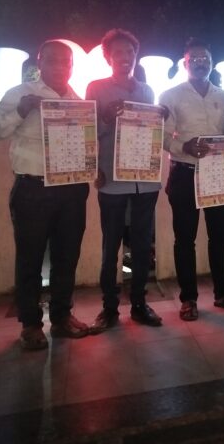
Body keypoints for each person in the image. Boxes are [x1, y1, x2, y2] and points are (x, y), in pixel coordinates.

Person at [0, 40, 90, 350]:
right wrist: (21, 110)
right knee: (30, 258)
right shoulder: (20, 93)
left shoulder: (77, 100)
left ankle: (61, 318)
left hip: (72, 189)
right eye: (52, 60)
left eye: (66, 61)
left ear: (72, 66)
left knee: (67, 257)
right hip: (32, 188)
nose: (59, 66)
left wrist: (92, 166)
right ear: (40, 62)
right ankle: (31, 324)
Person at [158, 38, 224, 321]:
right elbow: (161, 135)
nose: (200, 63)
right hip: (184, 174)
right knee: (185, 240)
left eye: (205, 59)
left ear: (212, 63)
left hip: (217, 173)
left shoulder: (223, 95)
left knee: (220, 237)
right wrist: (183, 146)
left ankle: (223, 294)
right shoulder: (170, 95)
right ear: (185, 63)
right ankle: (189, 299)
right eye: (194, 59)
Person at [87, 28, 163, 332]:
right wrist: (105, 118)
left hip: (145, 179)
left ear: (136, 56)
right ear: (108, 57)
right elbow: (87, 131)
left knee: (143, 246)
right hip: (112, 179)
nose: (125, 57)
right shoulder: (96, 88)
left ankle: (139, 304)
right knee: (111, 246)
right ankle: (109, 307)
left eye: (130, 52)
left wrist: (160, 118)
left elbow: (149, 130)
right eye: (118, 52)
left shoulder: (147, 91)